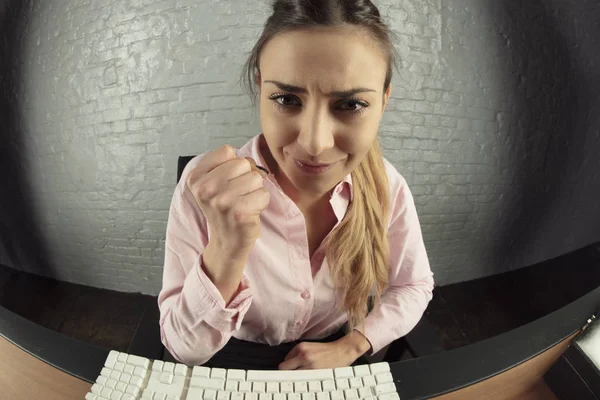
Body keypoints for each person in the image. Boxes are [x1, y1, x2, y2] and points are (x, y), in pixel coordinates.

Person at [158, 0, 434, 371]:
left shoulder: (388, 187)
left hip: (332, 356)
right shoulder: (205, 188)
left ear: (383, 101)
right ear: (260, 87)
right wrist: (226, 247)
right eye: (287, 99)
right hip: (229, 354)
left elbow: (413, 285)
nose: (315, 144)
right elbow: (184, 348)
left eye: (351, 105)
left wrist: (353, 345)